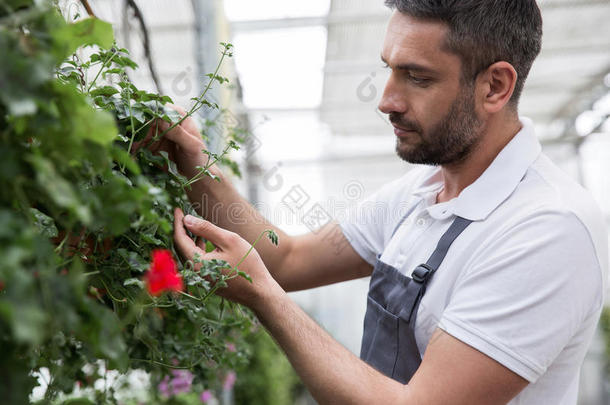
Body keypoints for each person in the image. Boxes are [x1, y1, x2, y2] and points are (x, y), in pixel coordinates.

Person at [159, 1, 608, 403]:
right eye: (388, 69)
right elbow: (288, 259)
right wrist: (196, 164)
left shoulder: (547, 228)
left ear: (494, 87)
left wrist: (264, 298)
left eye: (417, 77)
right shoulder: (419, 192)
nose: (386, 100)